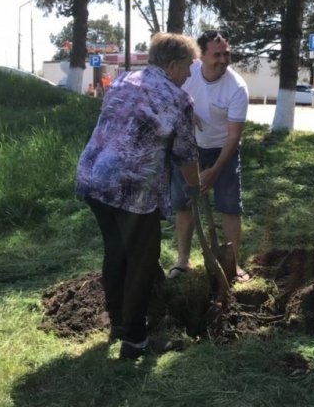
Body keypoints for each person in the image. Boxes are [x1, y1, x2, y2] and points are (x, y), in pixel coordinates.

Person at [76, 32, 201, 360]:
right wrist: (196, 185)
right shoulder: (178, 99)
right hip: (131, 190)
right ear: (173, 65)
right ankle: (135, 340)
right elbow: (186, 155)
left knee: (116, 252)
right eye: (188, 66)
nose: (190, 74)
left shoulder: (123, 80)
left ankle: (118, 323)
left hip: (94, 177)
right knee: (142, 262)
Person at [168, 30, 250, 282]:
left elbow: (233, 138)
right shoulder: (188, 72)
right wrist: (185, 110)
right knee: (183, 204)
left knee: (229, 205)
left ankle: (232, 265)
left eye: (227, 53)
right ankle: (183, 260)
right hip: (189, 148)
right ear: (201, 55)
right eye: (217, 55)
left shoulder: (236, 88)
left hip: (222, 149)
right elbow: (169, 92)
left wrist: (214, 172)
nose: (224, 60)